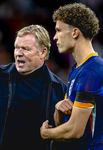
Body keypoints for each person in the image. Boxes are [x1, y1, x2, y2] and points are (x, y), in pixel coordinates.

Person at [40, 3, 103, 150]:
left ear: (75, 32)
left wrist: (46, 133)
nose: (54, 38)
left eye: (58, 31)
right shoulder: (78, 69)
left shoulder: (92, 71)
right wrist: (58, 109)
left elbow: (75, 130)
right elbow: (65, 122)